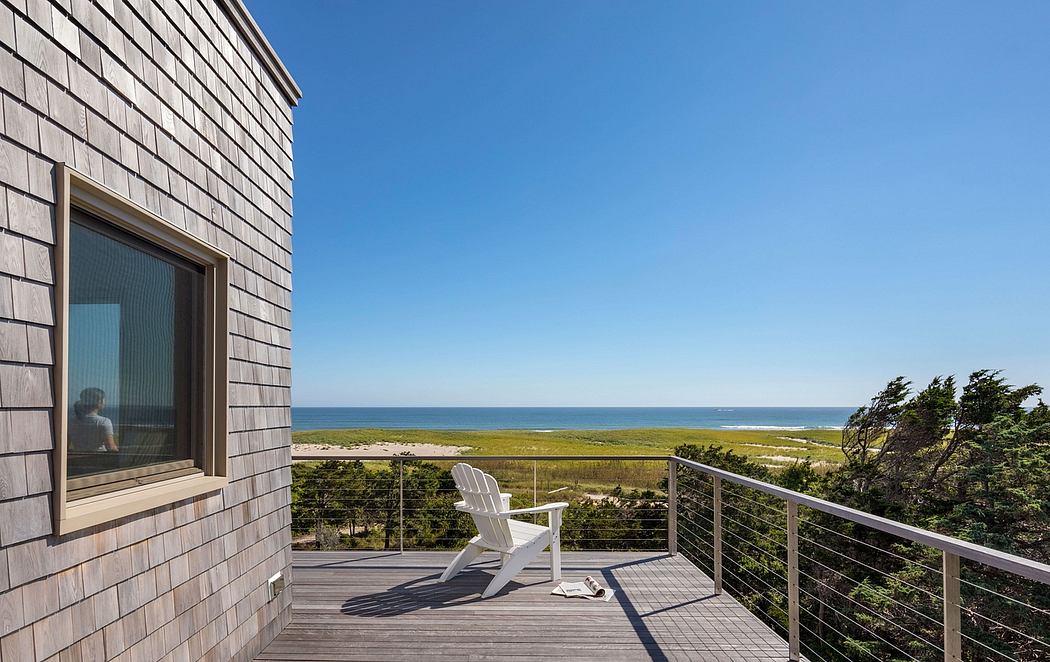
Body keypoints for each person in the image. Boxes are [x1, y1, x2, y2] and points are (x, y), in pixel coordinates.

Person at [69, 387, 118, 452]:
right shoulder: (104, 422)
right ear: (99, 402)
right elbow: (111, 447)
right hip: (98, 458)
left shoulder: (71, 421)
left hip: (78, 457)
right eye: (104, 399)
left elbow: (65, 445)